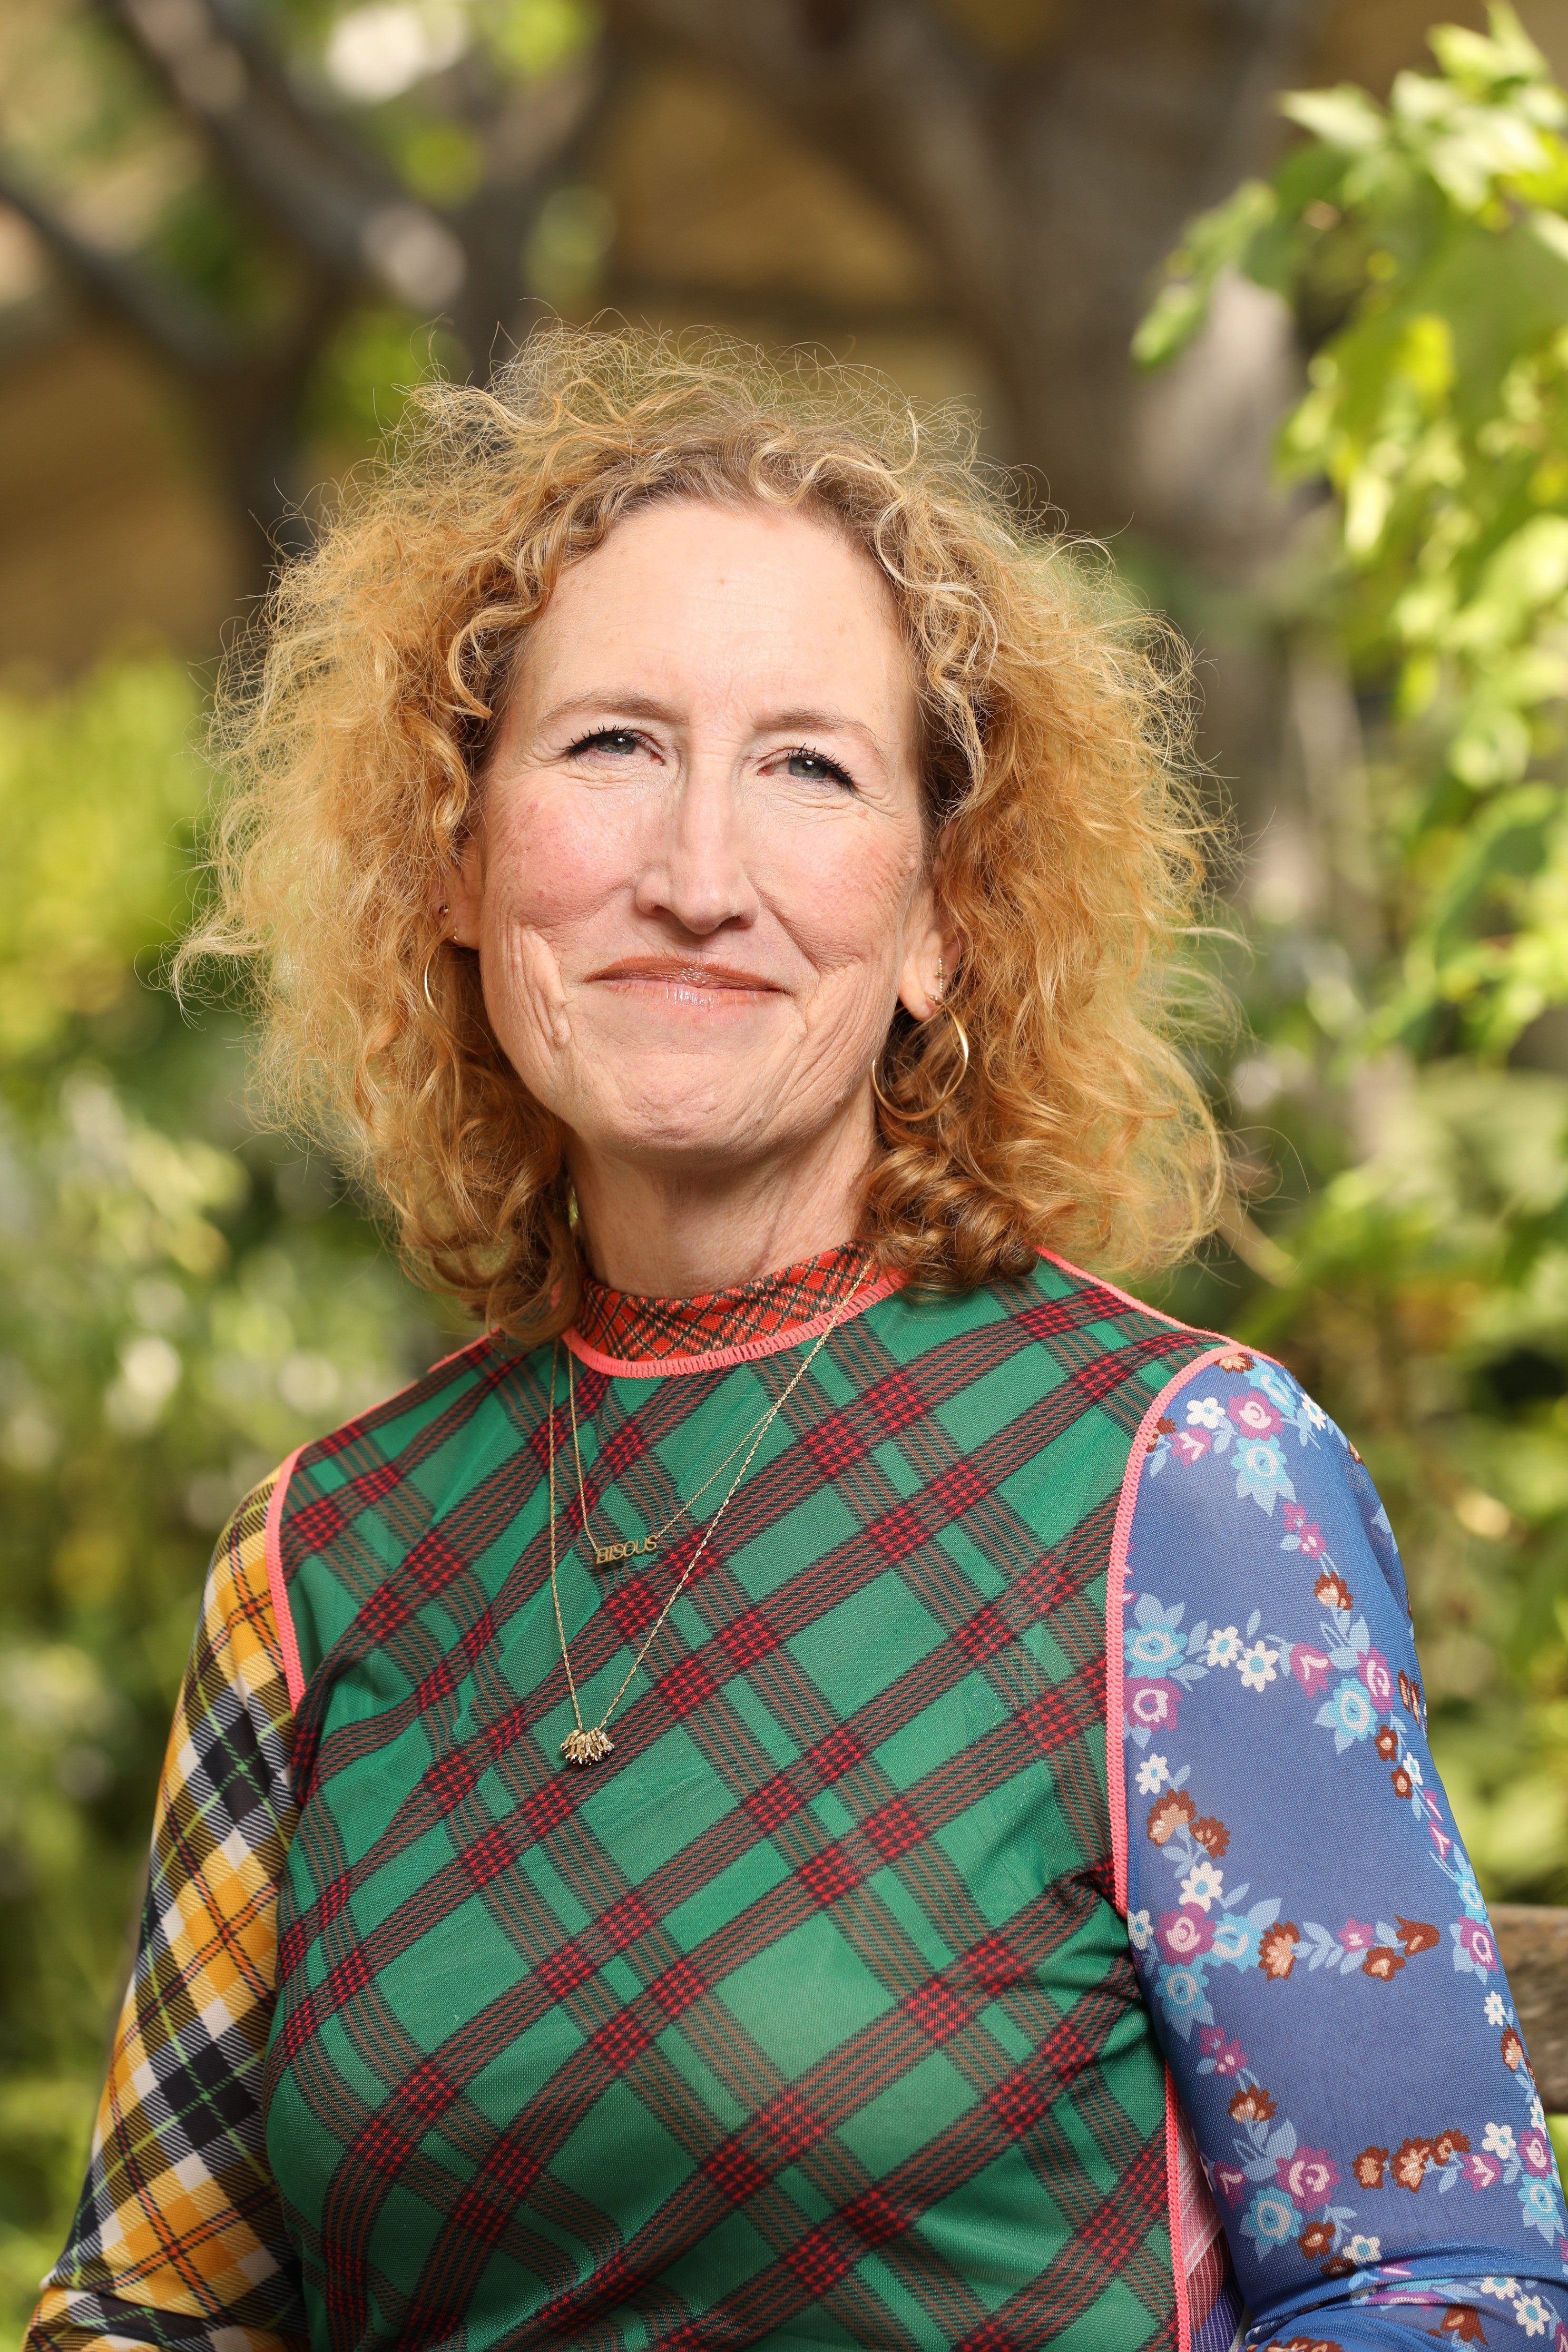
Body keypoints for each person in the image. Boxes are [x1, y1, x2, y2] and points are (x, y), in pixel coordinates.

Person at [29, 329, 1566, 2352]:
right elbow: (145, 2310)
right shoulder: (317, 1566)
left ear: (944, 920)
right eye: (610, 748)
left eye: (809, 769)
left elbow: (1437, 2287)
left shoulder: (1175, 1488)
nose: (696, 876)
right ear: (458, 862)